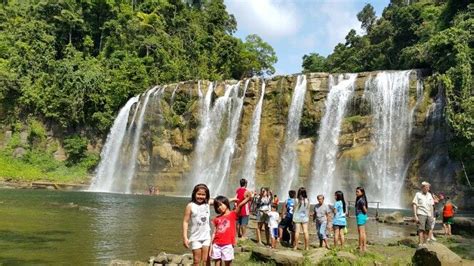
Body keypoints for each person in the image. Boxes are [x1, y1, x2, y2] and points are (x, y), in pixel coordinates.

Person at [210, 195, 251, 265]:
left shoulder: (233, 214)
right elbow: (214, 232)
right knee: (217, 262)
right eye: (217, 206)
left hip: (228, 244)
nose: (219, 207)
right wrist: (211, 244)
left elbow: (240, 205)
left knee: (228, 263)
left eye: (220, 205)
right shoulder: (216, 218)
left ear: (226, 203)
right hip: (216, 244)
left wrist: (248, 198)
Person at [182, 184, 213, 266]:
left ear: (206, 195)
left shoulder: (208, 203)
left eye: (203, 195)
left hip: (206, 237)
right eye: (199, 194)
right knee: (196, 261)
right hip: (195, 237)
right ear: (194, 194)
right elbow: (185, 221)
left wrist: (233, 199)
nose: (201, 196)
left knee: (206, 260)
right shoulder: (190, 206)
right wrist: (185, 237)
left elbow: (221, 201)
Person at [412, 181, 436, 247]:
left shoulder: (430, 195)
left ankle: (425, 243)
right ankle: (420, 243)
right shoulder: (418, 194)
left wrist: (432, 216)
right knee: (421, 229)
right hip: (421, 213)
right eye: (427, 187)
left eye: (429, 187)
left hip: (429, 214)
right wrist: (415, 215)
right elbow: (414, 204)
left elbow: (431, 206)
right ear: (423, 187)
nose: (428, 189)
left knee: (427, 229)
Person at [355, 187, 368, 252]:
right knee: (363, 232)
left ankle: (360, 247)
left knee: (360, 232)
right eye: (356, 191)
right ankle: (364, 247)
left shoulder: (361, 200)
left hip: (360, 216)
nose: (356, 193)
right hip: (362, 216)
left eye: (358, 192)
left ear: (362, 192)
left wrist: (364, 213)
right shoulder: (361, 199)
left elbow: (365, 210)